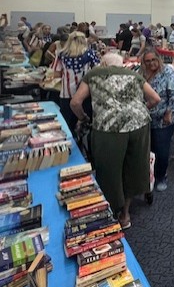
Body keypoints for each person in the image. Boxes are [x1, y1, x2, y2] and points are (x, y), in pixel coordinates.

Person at [70, 53, 160, 229]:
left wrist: (84, 118)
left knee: (109, 171)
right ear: (122, 64)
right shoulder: (134, 75)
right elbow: (155, 99)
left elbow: (75, 103)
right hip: (139, 125)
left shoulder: (94, 74)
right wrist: (139, 109)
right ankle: (125, 215)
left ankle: (109, 212)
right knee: (132, 169)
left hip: (108, 127)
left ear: (103, 63)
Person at [140, 49, 174, 192]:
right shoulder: (141, 73)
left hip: (166, 116)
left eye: (154, 60)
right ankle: (151, 173)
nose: (151, 63)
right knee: (151, 147)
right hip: (147, 116)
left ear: (159, 59)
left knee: (161, 148)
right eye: (148, 61)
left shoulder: (168, 73)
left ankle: (161, 176)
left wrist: (168, 113)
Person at [53, 31, 100, 128]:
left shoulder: (61, 54)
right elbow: (97, 72)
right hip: (84, 94)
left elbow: (56, 74)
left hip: (66, 93)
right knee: (85, 123)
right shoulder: (90, 54)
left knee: (67, 124)